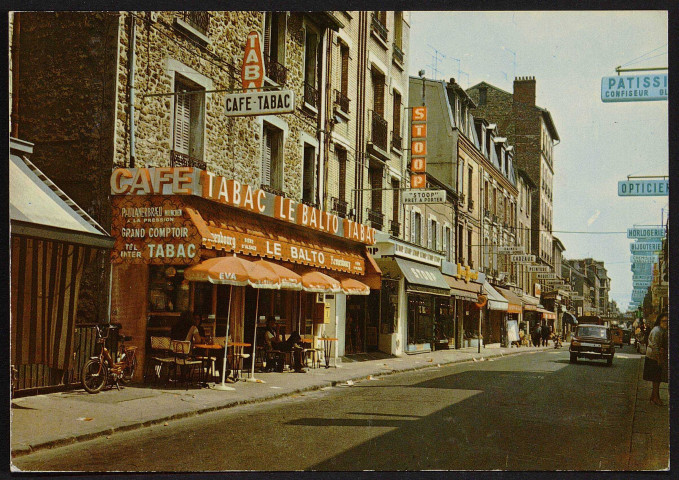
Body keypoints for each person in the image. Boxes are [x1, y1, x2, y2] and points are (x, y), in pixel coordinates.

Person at [643, 312, 668, 406]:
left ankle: (654, 397)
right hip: (653, 357)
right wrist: (658, 359)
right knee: (656, 379)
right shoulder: (657, 331)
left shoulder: (663, 330)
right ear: (659, 321)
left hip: (657, 356)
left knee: (657, 379)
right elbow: (655, 346)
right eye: (664, 321)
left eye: (667, 321)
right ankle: (655, 398)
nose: (666, 323)